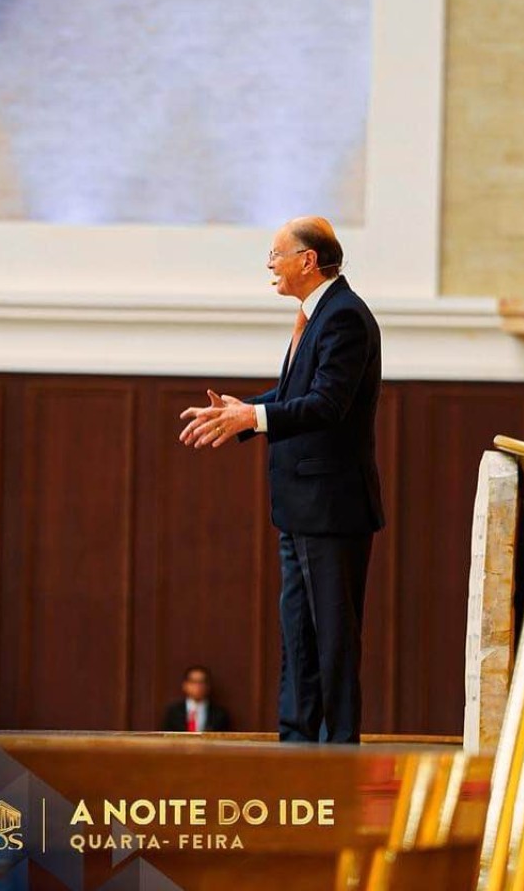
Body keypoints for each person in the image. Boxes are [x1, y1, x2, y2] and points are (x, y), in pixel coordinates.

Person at [179, 216, 385, 744]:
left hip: (331, 508)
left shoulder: (344, 316)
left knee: (332, 640)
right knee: (298, 635)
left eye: (276, 254)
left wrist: (252, 417)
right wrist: (242, 412)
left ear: (307, 260)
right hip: (300, 508)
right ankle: (295, 745)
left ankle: (337, 754)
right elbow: (296, 394)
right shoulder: (317, 315)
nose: (270, 265)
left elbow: (327, 404)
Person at [162, 665, 229, 733]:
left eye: (201, 682)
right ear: (185, 685)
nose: (198, 686)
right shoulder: (173, 712)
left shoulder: (219, 714)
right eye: (193, 682)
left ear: (208, 686)